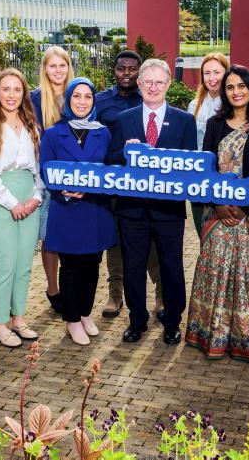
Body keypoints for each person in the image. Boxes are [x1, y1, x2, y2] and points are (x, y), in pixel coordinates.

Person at [185, 65, 249, 362]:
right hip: (218, 213)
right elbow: (207, 169)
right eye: (230, 87)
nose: (236, 92)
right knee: (213, 274)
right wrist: (219, 203)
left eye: (241, 86)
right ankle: (211, 336)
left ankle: (247, 339)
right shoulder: (215, 124)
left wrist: (244, 207)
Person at [107, 58, 197, 344]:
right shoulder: (125, 119)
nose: (153, 87)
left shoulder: (184, 121)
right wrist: (124, 152)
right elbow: (110, 160)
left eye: (159, 82)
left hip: (168, 211)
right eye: (148, 82)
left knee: (172, 267)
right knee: (133, 267)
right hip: (131, 210)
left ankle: (172, 321)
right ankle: (137, 320)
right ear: (139, 84)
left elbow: (192, 167)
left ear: (168, 84)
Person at [40, 78, 117, 345]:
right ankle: (71, 319)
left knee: (92, 266)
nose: (82, 102)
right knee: (71, 267)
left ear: (93, 101)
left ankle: (84, 313)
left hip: (95, 209)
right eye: (77, 96)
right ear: (68, 100)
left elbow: (109, 170)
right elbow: (45, 169)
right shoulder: (53, 133)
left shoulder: (103, 133)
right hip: (66, 209)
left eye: (87, 97)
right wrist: (62, 189)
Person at [0, 68, 44, 348]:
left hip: (29, 194)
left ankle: (19, 318)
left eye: (17, 89)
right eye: (6, 89)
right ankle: (0, 323)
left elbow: (38, 166)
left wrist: (37, 196)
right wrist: (12, 203)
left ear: (24, 93)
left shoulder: (31, 124)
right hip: (0, 198)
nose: (11, 95)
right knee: (5, 262)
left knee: (24, 262)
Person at [95, 50, 162, 319]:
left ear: (139, 72)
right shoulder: (100, 101)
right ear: (114, 70)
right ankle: (115, 294)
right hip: (113, 181)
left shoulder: (148, 99)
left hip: (145, 183)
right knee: (115, 242)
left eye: (132, 69)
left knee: (152, 242)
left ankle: (160, 295)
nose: (126, 73)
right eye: (121, 68)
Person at [31, 46, 74, 315]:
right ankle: (53, 288)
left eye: (62, 65)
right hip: (47, 175)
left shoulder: (77, 94)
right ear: (45, 69)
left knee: (70, 234)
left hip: (74, 175)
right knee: (50, 237)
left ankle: (70, 287)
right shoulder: (34, 99)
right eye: (52, 66)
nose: (58, 71)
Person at [187, 53, 230, 236]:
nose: (212, 78)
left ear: (227, 73)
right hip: (199, 178)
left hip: (225, 179)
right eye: (207, 73)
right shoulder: (195, 105)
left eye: (217, 72)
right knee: (203, 234)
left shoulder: (233, 104)